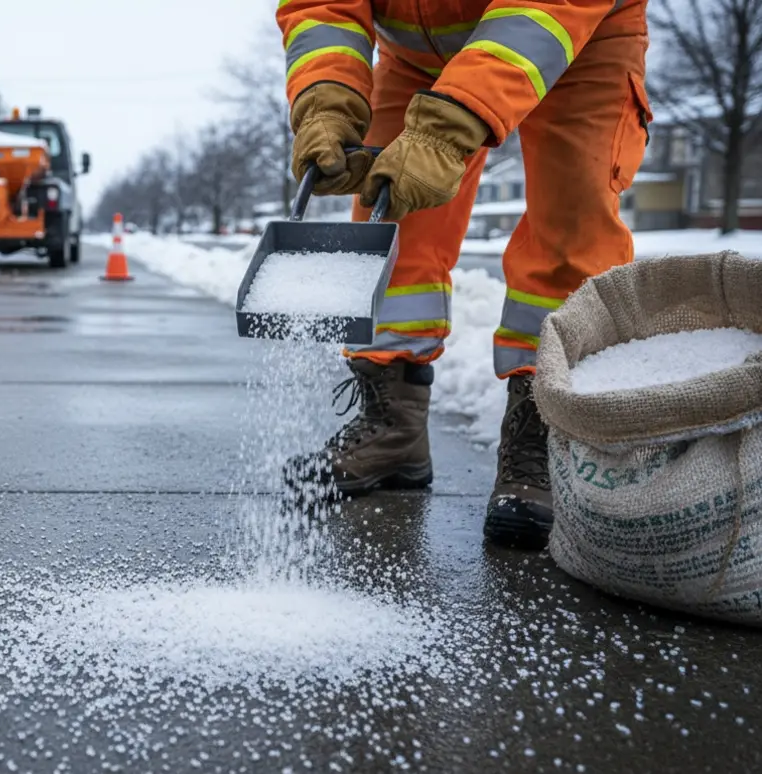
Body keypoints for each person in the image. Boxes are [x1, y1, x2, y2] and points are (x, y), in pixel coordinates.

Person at [276, 0, 650, 549]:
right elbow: (322, 7)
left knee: (570, 231)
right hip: (416, 57)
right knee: (391, 226)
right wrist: (325, 102)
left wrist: (448, 127)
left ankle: (544, 435)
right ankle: (394, 426)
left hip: (575, 37)